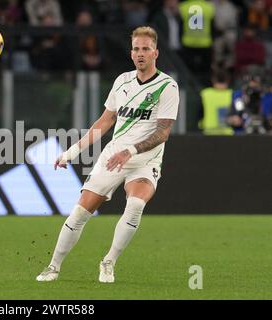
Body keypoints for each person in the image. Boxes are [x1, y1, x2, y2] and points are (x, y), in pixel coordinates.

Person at [36, 26, 179, 283]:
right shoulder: (122, 81)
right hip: (114, 156)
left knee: (135, 205)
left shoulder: (167, 86)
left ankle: (108, 261)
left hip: (145, 159)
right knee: (80, 213)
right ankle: (53, 266)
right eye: (136, 49)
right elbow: (104, 122)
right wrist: (72, 151)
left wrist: (132, 150)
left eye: (146, 49)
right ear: (131, 52)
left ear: (156, 52)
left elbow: (163, 132)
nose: (140, 54)